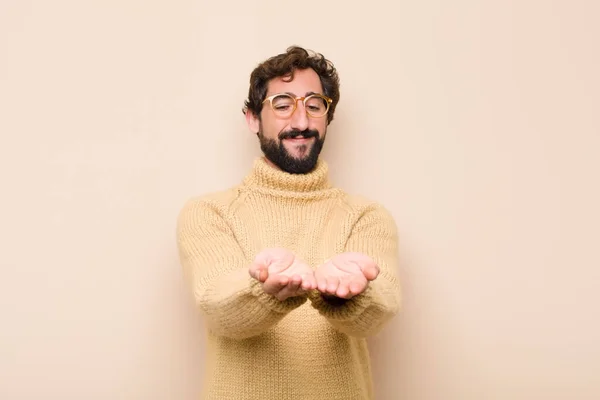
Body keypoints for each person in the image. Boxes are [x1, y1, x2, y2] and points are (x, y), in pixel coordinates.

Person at [176, 45, 402, 400]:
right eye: (282, 105)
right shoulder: (209, 212)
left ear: (329, 117)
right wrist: (265, 289)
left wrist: (350, 294)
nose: (301, 122)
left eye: (314, 105)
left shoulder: (367, 216)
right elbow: (217, 308)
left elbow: (382, 309)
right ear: (252, 118)